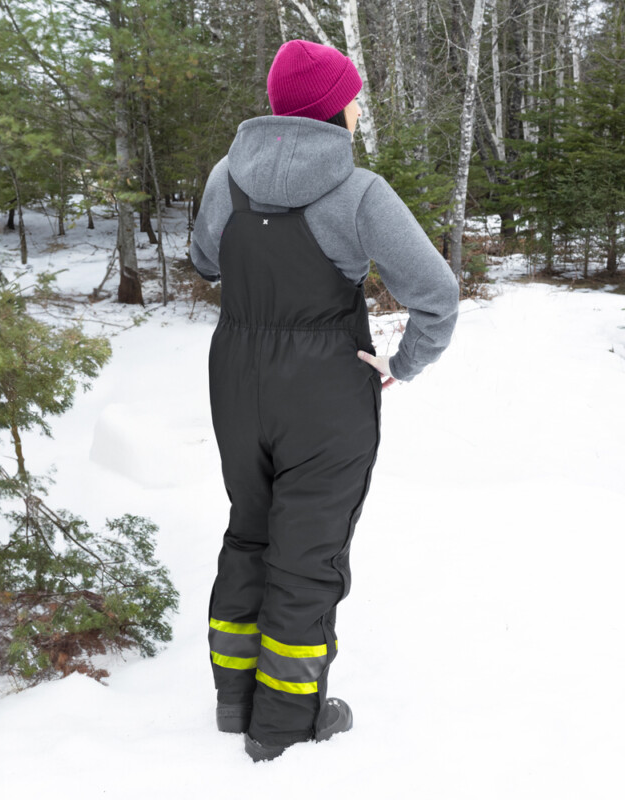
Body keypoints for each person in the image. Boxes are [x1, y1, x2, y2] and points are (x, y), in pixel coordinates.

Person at [190, 39, 459, 762]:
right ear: (334, 109)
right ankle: (283, 722)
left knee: (250, 530)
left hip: (237, 378)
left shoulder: (226, 175)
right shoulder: (359, 191)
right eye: (353, 96)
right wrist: (405, 362)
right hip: (325, 392)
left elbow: (206, 259)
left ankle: (233, 699)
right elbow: (437, 294)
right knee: (308, 553)